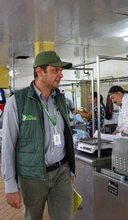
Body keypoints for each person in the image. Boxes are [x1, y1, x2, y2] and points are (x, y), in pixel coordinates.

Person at [1, 50, 75, 220]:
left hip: (61, 172)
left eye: (60, 71)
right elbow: (8, 146)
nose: (60, 75)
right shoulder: (17, 102)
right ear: (40, 72)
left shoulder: (60, 99)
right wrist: (10, 185)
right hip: (32, 176)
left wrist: (71, 168)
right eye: (55, 71)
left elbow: (65, 135)